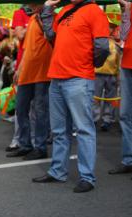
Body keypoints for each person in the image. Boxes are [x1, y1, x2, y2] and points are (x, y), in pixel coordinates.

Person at [33, 0, 110, 193]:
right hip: (57, 77)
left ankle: (87, 177)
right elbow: (51, 36)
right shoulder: (65, 10)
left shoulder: (94, 11)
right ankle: (58, 171)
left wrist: (87, 65)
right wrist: (48, 9)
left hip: (78, 78)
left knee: (83, 129)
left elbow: (102, 47)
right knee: (59, 130)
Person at [7, 3, 52, 161]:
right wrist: (19, 69)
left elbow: (51, 37)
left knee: (40, 112)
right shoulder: (33, 18)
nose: (29, 5)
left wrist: (44, 15)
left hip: (42, 72)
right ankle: (25, 145)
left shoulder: (47, 17)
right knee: (21, 109)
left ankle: (40, 147)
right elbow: (27, 47)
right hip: (27, 72)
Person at [108, 0, 132, 177]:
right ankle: (128, 160)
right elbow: (123, 36)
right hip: (126, 64)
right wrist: (126, 10)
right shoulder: (129, 8)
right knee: (124, 115)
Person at [93, 18, 121, 132]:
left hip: (112, 74)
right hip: (97, 73)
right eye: (107, 26)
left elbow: (119, 60)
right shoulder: (97, 41)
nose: (109, 28)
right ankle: (94, 119)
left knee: (111, 99)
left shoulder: (116, 43)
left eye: (111, 27)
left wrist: (118, 74)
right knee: (95, 98)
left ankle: (107, 120)